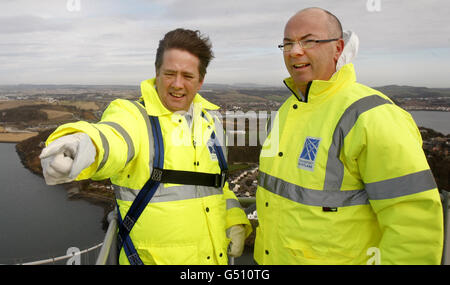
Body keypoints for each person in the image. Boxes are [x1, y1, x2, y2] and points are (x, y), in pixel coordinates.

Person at [39, 28, 252, 265]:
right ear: (157, 73)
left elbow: (217, 185)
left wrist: (234, 219)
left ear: (201, 81)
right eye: (170, 73)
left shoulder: (211, 124)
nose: (178, 84)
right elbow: (113, 138)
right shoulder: (134, 117)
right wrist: (83, 147)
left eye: (188, 76)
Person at [254, 7, 443, 265]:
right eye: (287, 44)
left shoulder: (371, 115)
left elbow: (413, 224)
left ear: (338, 48)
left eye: (309, 41)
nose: (295, 51)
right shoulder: (287, 111)